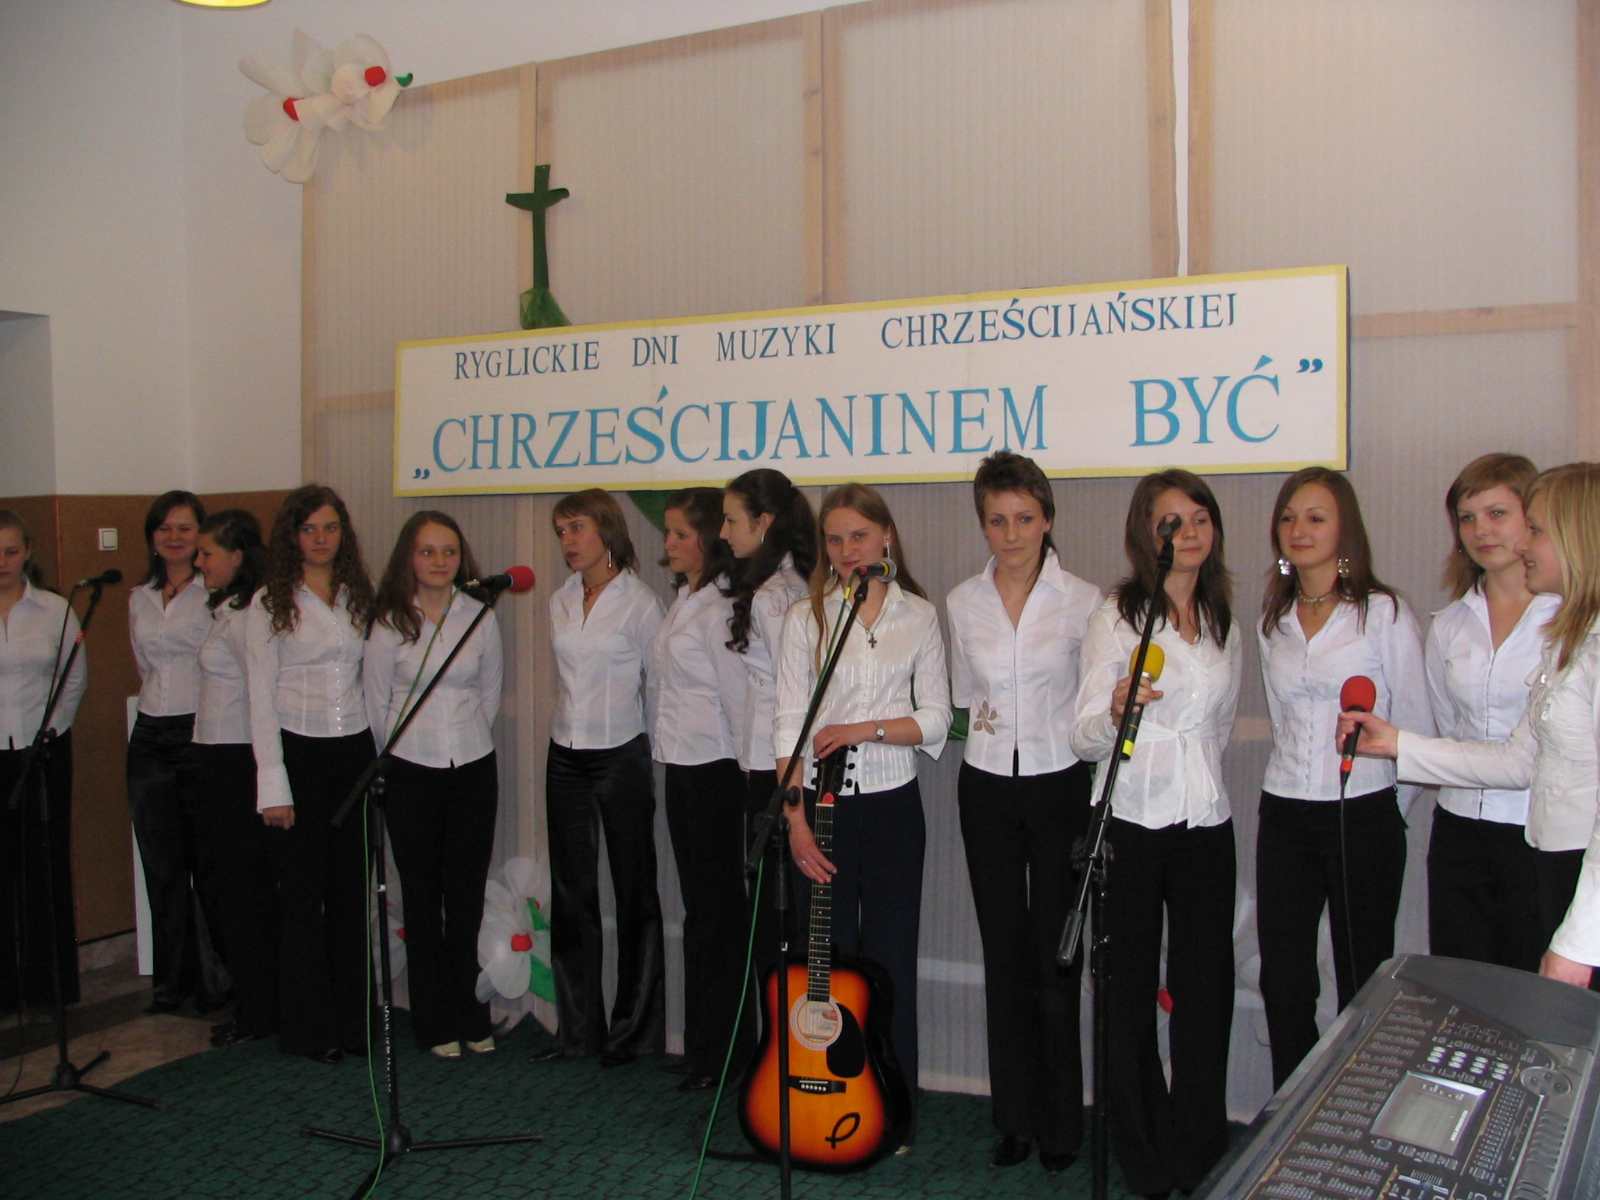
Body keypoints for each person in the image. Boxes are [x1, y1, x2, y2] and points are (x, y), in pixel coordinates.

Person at [1339, 462, 1600, 990]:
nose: (1522, 543)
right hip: (1548, 856)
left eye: (1533, 528)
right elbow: (1517, 760)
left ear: (1576, 538)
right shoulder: (1567, 642)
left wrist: (1578, 942)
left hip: (1573, 869)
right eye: (1468, 517)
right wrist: (1395, 743)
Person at [1069, 469, 1242, 1196]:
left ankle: (1197, 1145)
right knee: (1127, 994)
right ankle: (1142, 1152)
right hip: (1130, 822)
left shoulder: (1222, 615)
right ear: (1147, 533)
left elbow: (1220, 727)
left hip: (1204, 822)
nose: (1188, 532)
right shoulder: (1118, 615)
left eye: (1199, 517)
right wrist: (1114, 711)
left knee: (1206, 990)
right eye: (1172, 522)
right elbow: (1081, 735)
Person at [776, 483, 950, 1143]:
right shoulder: (806, 618)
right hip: (820, 812)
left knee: (889, 961)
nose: (847, 550)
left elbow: (936, 719)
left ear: (886, 537)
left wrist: (863, 730)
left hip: (893, 811)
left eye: (858, 536)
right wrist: (794, 821)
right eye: (835, 539)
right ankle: (828, 1102)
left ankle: (893, 1110)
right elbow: (788, 725)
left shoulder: (919, 617)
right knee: (830, 961)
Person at [945, 451, 1100, 1173]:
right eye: (997, 521)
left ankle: (1062, 1123)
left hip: (1059, 783)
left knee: (1056, 957)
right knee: (1004, 954)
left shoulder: (1084, 601)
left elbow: (1092, 701)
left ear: (1047, 519)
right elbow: (961, 697)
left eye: (1024, 519)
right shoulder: (961, 602)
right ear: (983, 524)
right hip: (985, 786)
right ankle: (1014, 1116)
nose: (1011, 535)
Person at [1256, 466, 1432, 1089]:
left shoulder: (1382, 613)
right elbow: (1281, 720)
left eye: (1315, 517)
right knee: (1284, 979)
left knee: (1361, 978)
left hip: (1362, 811)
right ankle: (1291, 1108)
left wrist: (1384, 809)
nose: (1298, 529)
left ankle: (1352, 1109)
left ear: (1344, 529)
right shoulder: (1274, 619)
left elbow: (1414, 724)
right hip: (1285, 809)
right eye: (1288, 518)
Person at [365, 511, 504, 1060]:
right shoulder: (389, 621)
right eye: (427, 551)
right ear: (409, 557)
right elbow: (376, 703)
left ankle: (471, 1013)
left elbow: (490, 693)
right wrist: (405, 756)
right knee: (422, 899)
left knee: (466, 899)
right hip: (410, 770)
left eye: (449, 551)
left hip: (472, 765)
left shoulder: (479, 615)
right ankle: (433, 1019)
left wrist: (463, 740)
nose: (440, 561)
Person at [246, 484, 376, 1063]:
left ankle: (353, 1023)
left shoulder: (357, 595)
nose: (321, 539)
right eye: (309, 529)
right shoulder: (269, 602)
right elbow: (259, 698)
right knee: (303, 896)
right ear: (291, 536)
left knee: (351, 893)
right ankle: (308, 1028)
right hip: (298, 754)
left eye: (330, 528)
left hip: (353, 751)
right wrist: (272, 783)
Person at [540, 488, 666, 1066]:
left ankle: (633, 1033)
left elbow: (657, 686)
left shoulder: (640, 602)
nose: (568, 541)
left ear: (607, 531)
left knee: (635, 891)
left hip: (621, 753)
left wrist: (652, 753)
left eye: (578, 528)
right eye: (562, 531)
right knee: (571, 893)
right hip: (565, 752)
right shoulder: (560, 599)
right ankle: (577, 1031)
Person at [1423, 454, 1555, 971]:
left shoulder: (1566, 621)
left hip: (1535, 830)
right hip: (1458, 831)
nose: (1481, 530)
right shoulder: (1449, 624)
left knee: (1531, 988)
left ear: (1532, 519)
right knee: (1459, 984)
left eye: (1497, 513)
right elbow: (1447, 729)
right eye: (1467, 518)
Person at [649, 488, 750, 1090]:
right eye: (668, 532)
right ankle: (700, 1044)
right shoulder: (685, 599)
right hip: (681, 765)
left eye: (680, 534)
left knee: (719, 915)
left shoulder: (721, 606)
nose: (669, 543)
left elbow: (738, 700)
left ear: (711, 539)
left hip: (716, 768)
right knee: (698, 912)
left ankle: (726, 1051)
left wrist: (746, 776)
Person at [127, 489, 230, 1015]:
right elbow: (144, 666)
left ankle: (218, 985)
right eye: (164, 528)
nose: (174, 537)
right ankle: (173, 984)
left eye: (185, 528)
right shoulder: (139, 597)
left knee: (207, 863)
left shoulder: (215, 596)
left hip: (199, 733)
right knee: (161, 866)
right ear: (152, 537)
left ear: (201, 535)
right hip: (149, 736)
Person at [719, 468, 815, 988]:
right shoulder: (785, 587)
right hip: (767, 761)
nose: (723, 532)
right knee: (779, 918)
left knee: (773, 919)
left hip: (774, 767)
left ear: (764, 522)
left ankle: (778, 1026)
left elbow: (791, 695)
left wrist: (782, 779)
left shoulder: (776, 596)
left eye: (732, 520)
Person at [190, 509, 278, 1047]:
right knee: (223, 885)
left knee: (243, 889)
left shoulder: (252, 613)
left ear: (238, 556)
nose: (198, 561)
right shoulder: (224, 608)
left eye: (207, 553)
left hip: (238, 758)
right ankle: (250, 998)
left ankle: (259, 1006)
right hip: (213, 756)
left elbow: (263, 693)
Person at [0, 511, 86, 1012]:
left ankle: (49, 987)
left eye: (11, 551)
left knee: (44, 867)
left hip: (43, 750)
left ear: (28, 551)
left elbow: (74, 679)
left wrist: (52, 730)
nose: (3, 562)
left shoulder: (55, 609)